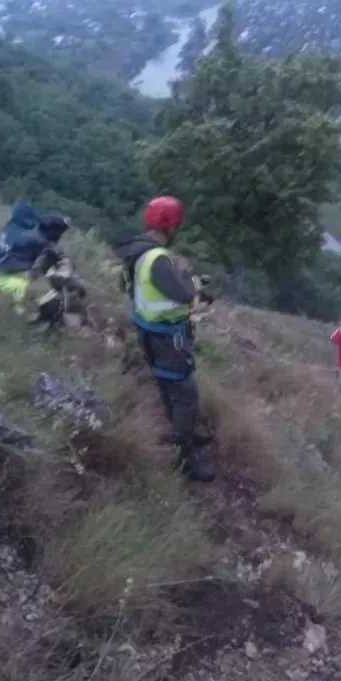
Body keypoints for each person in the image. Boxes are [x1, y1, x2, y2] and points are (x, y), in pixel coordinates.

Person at [112, 196, 215, 483]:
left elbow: (129, 286)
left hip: (149, 330)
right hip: (167, 337)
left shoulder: (136, 252)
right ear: (171, 226)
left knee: (167, 385)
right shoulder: (158, 259)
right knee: (185, 394)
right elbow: (183, 295)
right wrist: (184, 271)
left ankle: (185, 433)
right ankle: (185, 457)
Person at [0, 202, 72, 308]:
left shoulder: (14, 230)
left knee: (39, 287)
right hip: (4, 279)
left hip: (4, 273)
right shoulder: (37, 241)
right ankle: (22, 314)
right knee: (32, 291)